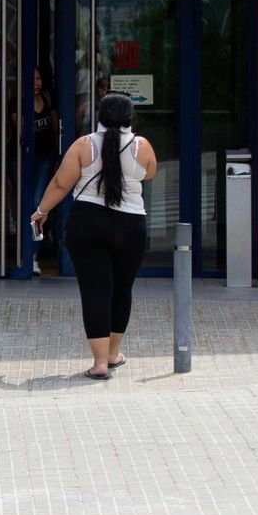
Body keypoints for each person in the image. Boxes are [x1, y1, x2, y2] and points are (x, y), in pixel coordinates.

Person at [30, 92, 158, 379]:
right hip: (131, 226)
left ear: (98, 116)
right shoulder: (142, 146)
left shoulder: (83, 146)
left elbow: (61, 184)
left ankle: (100, 364)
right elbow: (149, 174)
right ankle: (113, 354)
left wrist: (42, 210)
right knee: (122, 289)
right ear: (129, 118)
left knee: (95, 291)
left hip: (87, 224)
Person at [29, 67, 58, 273]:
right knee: (22, 204)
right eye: (32, 79)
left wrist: (59, 155)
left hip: (46, 157)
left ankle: (33, 256)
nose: (36, 83)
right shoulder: (18, 102)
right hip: (23, 158)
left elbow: (56, 128)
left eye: (38, 78)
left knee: (38, 202)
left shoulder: (47, 98)